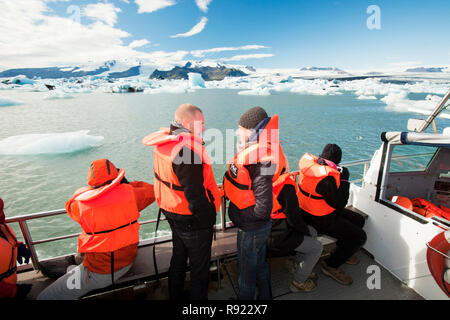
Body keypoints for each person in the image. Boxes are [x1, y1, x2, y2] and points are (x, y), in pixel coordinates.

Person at [37, 159, 155, 300]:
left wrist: (89, 192)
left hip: (98, 273)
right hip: (127, 262)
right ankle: (72, 269)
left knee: (45, 297)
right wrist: (123, 184)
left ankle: (71, 270)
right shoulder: (131, 194)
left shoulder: (81, 204)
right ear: (117, 176)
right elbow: (151, 190)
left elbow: (69, 205)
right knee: (79, 266)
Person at [142, 104, 221, 300]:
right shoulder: (187, 152)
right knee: (199, 269)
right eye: (201, 123)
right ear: (187, 123)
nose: (203, 128)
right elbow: (194, 196)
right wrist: (209, 218)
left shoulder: (165, 143)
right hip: (191, 220)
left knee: (178, 258)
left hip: (171, 213)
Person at [223, 106, 278, 300]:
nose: (237, 132)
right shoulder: (256, 154)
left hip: (252, 229)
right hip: (258, 228)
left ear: (252, 130)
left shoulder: (261, 160)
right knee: (260, 267)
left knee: (246, 276)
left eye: (240, 128)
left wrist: (240, 216)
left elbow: (263, 208)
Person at [298, 144, 367, 285]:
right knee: (360, 236)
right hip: (319, 219)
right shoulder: (326, 178)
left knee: (359, 220)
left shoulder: (312, 167)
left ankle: (341, 252)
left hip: (308, 211)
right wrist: (344, 180)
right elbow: (340, 203)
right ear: (338, 161)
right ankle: (330, 265)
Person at [270, 168, 323, 293]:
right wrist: (305, 230)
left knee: (312, 233)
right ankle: (298, 282)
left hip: (263, 230)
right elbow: (294, 219)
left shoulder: (261, 180)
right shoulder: (286, 186)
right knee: (317, 247)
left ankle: (298, 266)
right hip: (278, 236)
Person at [0, 197, 32, 299]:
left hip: (11, 283)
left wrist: (17, 247)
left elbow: (5, 243)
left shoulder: (2, 227)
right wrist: (13, 291)